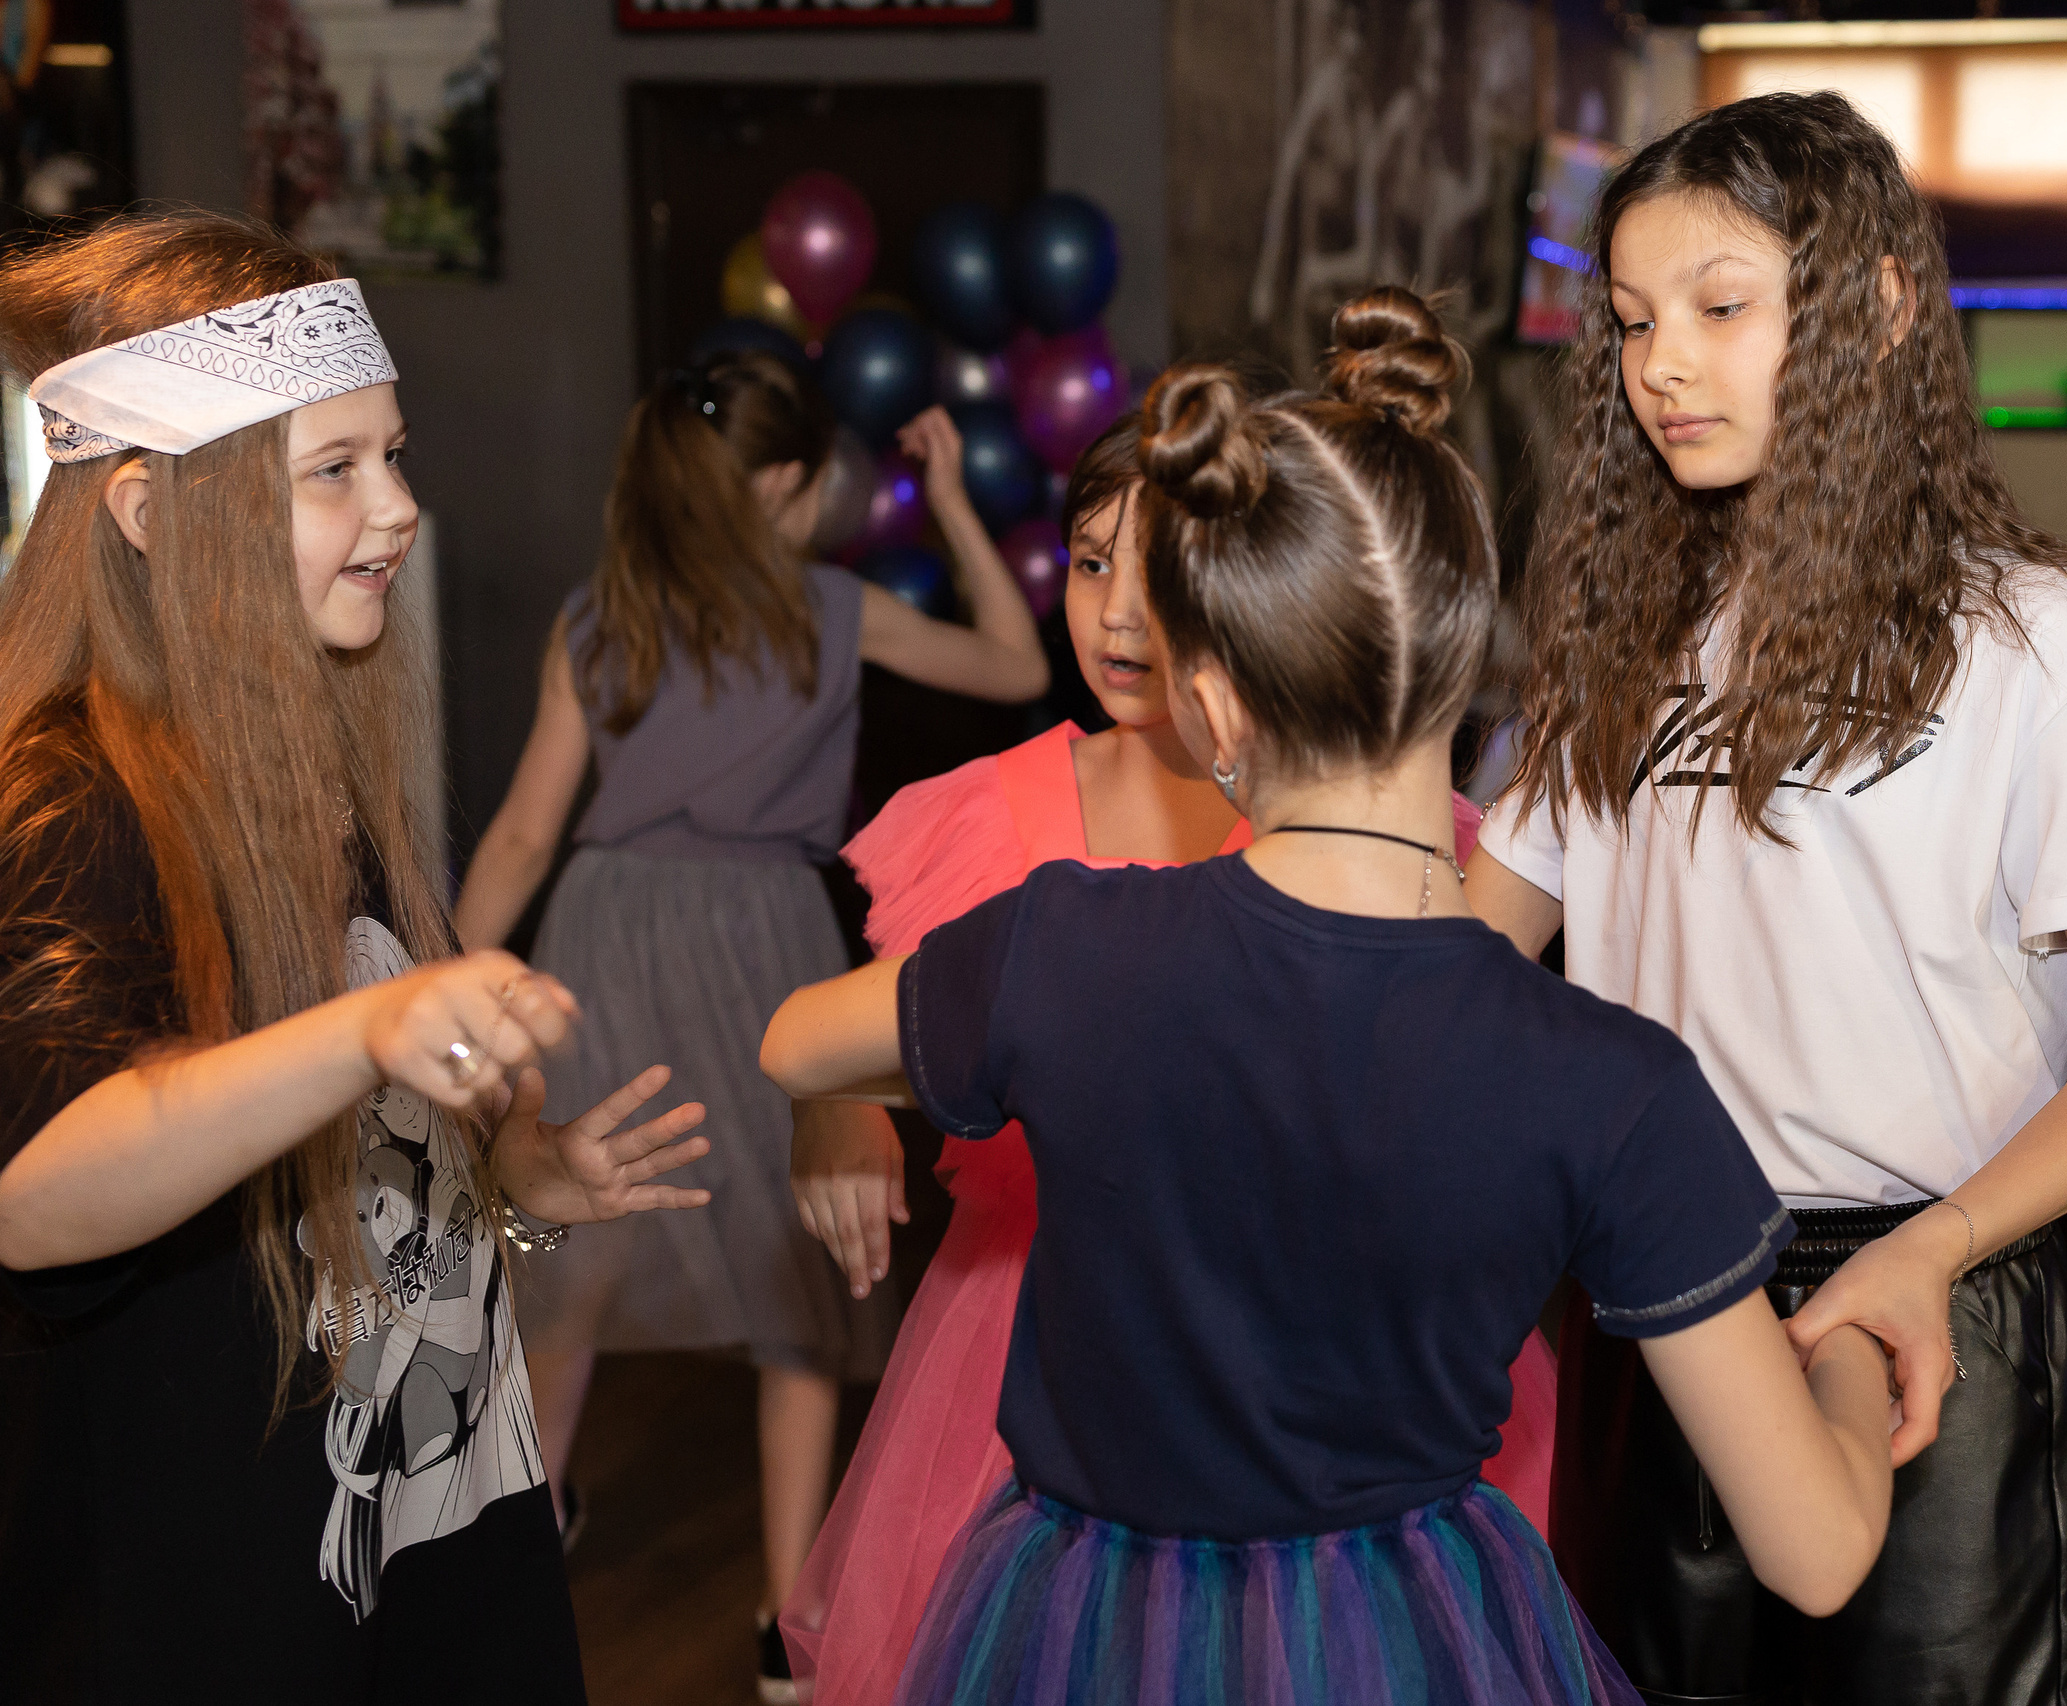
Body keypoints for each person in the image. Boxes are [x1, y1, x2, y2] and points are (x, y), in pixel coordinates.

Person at [759, 288, 1899, 1706]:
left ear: (1216, 703)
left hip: (1081, 1629)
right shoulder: (1607, 1076)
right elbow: (1820, 1551)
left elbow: (795, 1040)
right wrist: (1847, 1349)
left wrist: (906, 1081)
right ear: (1476, 661)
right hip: (1413, 1637)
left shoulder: (1063, 949)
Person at [1464, 94, 2067, 1705]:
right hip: (1658, 1301)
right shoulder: (1621, 641)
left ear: (1872, 309)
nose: (1664, 362)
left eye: (1722, 307)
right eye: (1634, 322)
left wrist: (1933, 1251)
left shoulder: (2042, 639)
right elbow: (1463, 956)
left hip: (1935, 1296)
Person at [0, 212, 713, 1701]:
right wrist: (372, 1029)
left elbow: (346, 1182)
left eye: (396, 455)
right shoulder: (68, 799)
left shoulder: (297, 745)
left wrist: (515, 1182)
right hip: (220, 1598)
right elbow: (37, 1196)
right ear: (145, 509)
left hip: (421, 1533)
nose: (398, 508)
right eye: (335, 470)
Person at [773, 406, 1564, 1702]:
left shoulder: (1371, 828)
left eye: (1165, 574)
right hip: (1019, 1362)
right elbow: (868, 1027)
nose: (1120, 616)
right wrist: (837, 1116)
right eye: (1091, 564)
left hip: (1305, 1377)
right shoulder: (979, 819)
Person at [452, 367, 1047, 1700]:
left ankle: (528, 1538)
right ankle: (789, 1619)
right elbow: (1014, 659)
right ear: (780, 486)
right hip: (771, 949)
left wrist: (437, 991)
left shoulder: (597, 618)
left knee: (570, 1252)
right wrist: (953, 504)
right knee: (802, 1278)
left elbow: (525, 831)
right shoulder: (833, 611)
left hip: (601, 939)